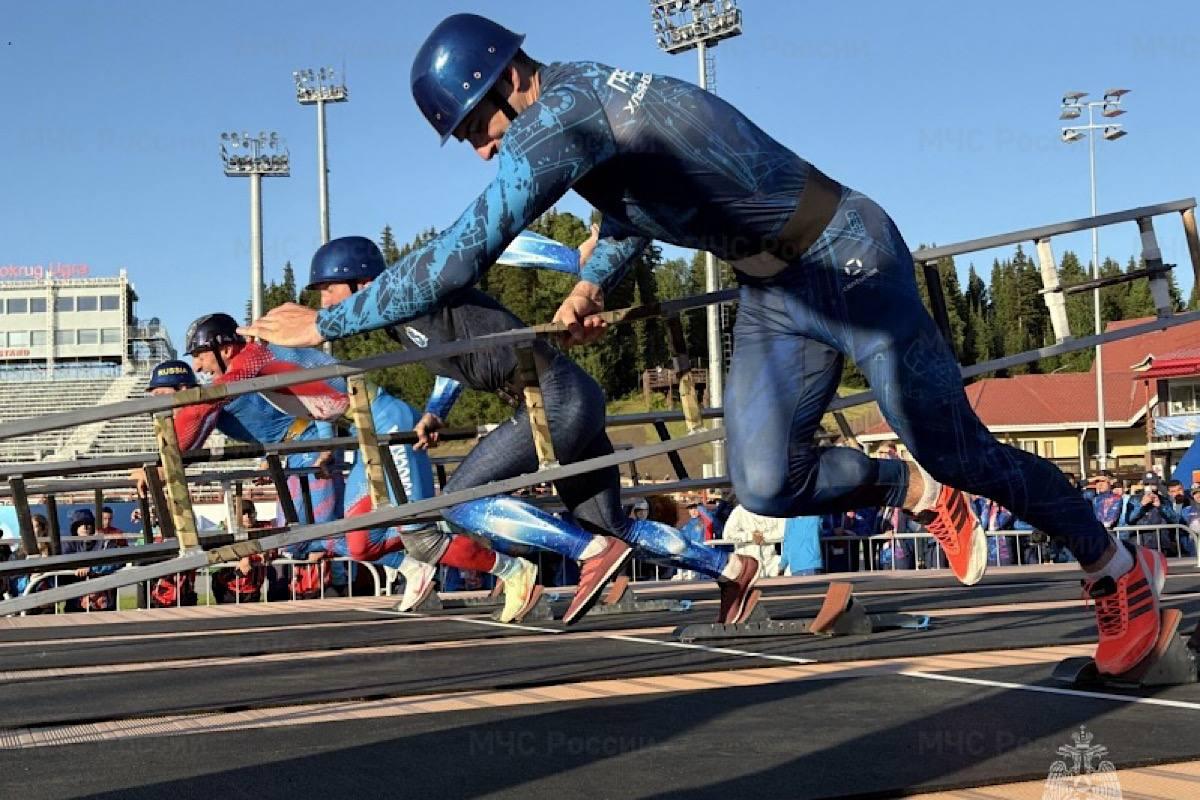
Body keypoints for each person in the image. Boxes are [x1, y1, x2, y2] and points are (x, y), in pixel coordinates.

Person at [242, 13, 1164, 677]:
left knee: (956, 444)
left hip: (847, 258)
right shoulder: (578, 102)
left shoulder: (560, 115)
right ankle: (907, 490)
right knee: (764, 484)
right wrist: (594, 281)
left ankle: (1116, 570)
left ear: (505, 80)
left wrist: (325, 322)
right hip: (773, 286)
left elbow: (458, 256)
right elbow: (646, 210)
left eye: (478, 128)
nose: (484, 151)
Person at [298, 236, 758, 624]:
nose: (323, 304)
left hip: (554, 397)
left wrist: (575, 263)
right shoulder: (401, 325)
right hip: (561, 398)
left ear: (360, 282)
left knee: (459, 500)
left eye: (327, 291)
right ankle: (732, 568)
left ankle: (589, 551)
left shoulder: (415, 285)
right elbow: (452, 360)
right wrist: (436, 411)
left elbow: (496, 243)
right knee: (610, 524)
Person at [722, 503, 784, 577]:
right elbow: (727, 534)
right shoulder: (740, 510)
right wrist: (750, 536)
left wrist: (763, 536)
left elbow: (784, 531)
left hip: (770, 561)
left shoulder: (776, 509)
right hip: (746, 562)